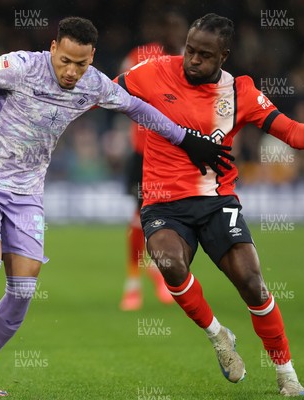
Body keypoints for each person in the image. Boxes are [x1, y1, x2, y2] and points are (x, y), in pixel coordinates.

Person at [0, 17, 231, 396]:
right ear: (53, 49)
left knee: (22, 291)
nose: (71, 72)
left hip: (28, 193)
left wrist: (188, 140)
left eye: (80, 64)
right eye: (65, 60)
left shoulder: (95, 84)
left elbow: (138, 110)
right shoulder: (20, 67)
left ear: (92, 58)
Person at [115, 13, 304, 397]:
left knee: (252, 283)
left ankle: (286, 374)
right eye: (190, 50)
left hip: (216, 201)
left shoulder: (241, 93)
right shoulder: (151, 72)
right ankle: (218, 336)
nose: (193, 60)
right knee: (169, 263)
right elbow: (101, 92)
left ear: (224, 56)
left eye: (204, 54)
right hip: (163, 202)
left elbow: (292, 133)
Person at [119, 11, 187, 311]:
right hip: (144, 153)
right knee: (138, 219)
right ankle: (133, 282)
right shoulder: (141, 56)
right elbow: (117, 93)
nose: (175, 34)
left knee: (171, 220)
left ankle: (162, 272)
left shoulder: (194, 60)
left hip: (177, 155)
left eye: (179, 29)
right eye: (169, 28)